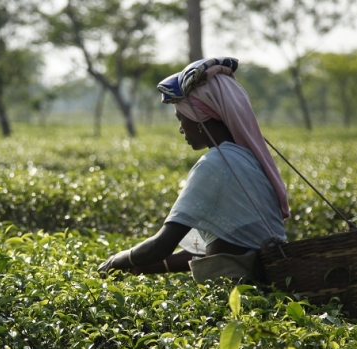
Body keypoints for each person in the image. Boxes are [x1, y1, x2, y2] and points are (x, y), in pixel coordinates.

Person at [97, 57, 289, 283]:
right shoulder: (248, 160)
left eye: (181, 118)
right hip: (268, 279)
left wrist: (115, 261)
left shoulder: (215, 164)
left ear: (200, 119)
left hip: (239, 288)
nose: (181, 129)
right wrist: (138, 269)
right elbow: (207, 251)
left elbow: (162, 245)